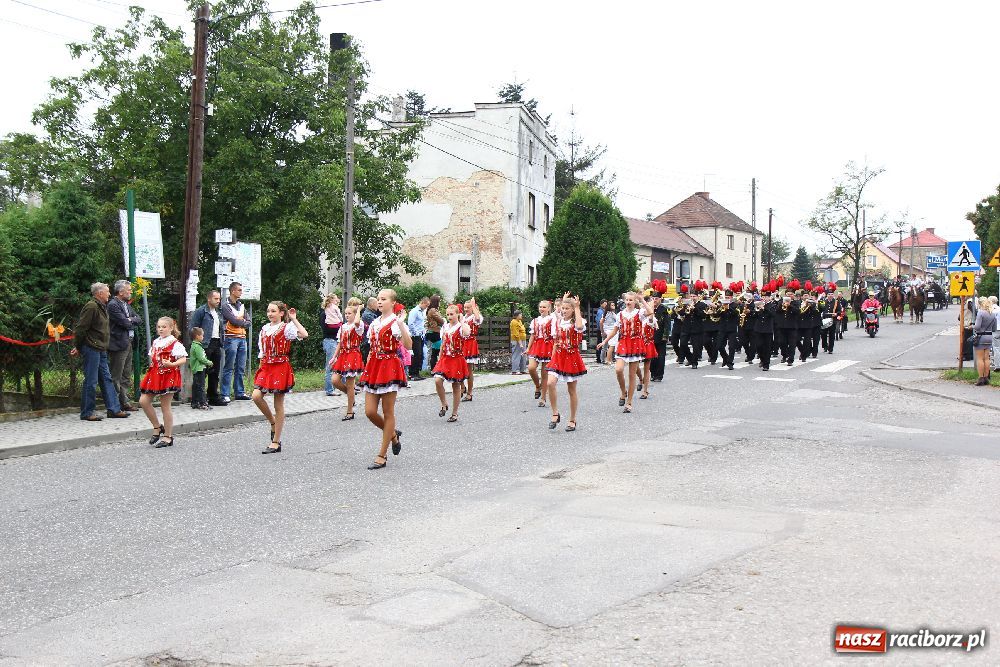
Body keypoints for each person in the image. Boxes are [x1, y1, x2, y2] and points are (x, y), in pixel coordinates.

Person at [359, 289, 410, 470]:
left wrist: (402, 324)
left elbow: (408, 345)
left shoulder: (395, 323)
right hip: (374, 366)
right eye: (378, 299)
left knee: (388, 412)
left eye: (384, 299)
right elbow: (371, 347)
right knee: (370, 412)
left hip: (390, 366)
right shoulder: (373, 323)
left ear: (392, 303)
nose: (379, 302)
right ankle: (393, 436)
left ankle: (382, 455)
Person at [253, 301, 308, 454]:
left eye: (273, 311)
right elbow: (262, 351)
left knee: (278, 403)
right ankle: (272, 422)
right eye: (268, 311)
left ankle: (276, 441)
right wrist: (260, 367)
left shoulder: (287, 327)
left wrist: (294, 319)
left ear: (281, 313)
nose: (270, 313)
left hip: (280, 366)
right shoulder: (264, 328)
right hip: (266, 366)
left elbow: (304, 334)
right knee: (256, 396)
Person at [73, 282, 130, 421]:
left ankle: (114, 409)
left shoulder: (102, 307)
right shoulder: (91, 306)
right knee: (91, 380)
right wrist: (79, 347)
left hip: (100, 348)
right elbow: (81, 328)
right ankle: (87, 412)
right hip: (91, 348)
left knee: (106, 379)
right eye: (107, 291)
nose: (109, 294)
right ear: (99, 293)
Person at [597, 291, 652, 413]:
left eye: (631, 300)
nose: (628, 302)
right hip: (623, 342)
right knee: (618, 369)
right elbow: (615, 330)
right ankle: (623, 392)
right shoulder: (620, 314)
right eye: (627, 300)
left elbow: (650, 312)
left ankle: (629, 402)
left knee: (632, 375)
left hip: (636, 343)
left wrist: (642, 300)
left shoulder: (639, 313)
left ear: (634, 302)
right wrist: (604, 341)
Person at [138, 316, 187, 447]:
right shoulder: (156, 342)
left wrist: (172, 363)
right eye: (159, 327)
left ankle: (168, 436)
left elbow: (183, 359)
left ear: (171, 328)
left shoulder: (175, 343)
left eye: (164, 327)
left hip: (168, 375)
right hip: (155, 375)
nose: (161, 329)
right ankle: (157, 427)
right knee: (143, 401)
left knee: (165, 406)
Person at [546, 293, 587, 431]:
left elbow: (580, 326)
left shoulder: (576, 322)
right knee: (550, 383)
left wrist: (576, 307)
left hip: (571, 356)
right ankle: (555, 413)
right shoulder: (557, 321)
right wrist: (564, 301)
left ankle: (572, 419)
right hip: (558, 356)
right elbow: (555, 342)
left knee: (571, 390)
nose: (563, 311)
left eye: (566, 309)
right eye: (562, 308)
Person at [433, 303, 472, 422]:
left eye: (452, 314)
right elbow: (443, 344)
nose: (449, 316)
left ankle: (454, 413)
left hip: (456, 359)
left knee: (455, 386)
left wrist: (462, 320)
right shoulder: (445, 327)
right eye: (448, 314)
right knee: (437, 380)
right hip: (445, 358)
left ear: (457, 314)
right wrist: (439, 358)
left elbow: (467, 333)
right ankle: (444, 404)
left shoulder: (460, 327)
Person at [107, 279, 142, 412]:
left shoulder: (126, 305)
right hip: (118, 344)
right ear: (121, 291)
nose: (131, 292)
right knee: (116, 374)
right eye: (129, 290)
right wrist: (129, 320)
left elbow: (138, 319)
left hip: (129, 343)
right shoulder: (113, 305)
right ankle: (114, 404)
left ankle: (124, 401)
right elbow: (124, 323)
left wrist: (130, 319)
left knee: (126, 374)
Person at [329, 304, 366, 420]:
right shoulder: (343, 327)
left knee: (350, 385)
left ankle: (350, 411)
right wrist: (334, 356)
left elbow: (356, 323)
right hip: (343, 355)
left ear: (355, 315)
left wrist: (359, 309)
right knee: (334, 380)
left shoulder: (358, 326)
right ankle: (351, 397)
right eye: (345, 313)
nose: (347, 315)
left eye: (349, 313)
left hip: (353, 355)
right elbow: (340, 343)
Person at [190, 289, 226, 406]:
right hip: (205, 343)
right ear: (209, 298)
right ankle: (198, 398)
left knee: (214, 371)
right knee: (202, 372)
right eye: (216, 299)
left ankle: (213, 396)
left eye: (219, 299)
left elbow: (221, 328)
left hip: (216, 342)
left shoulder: (218, 312)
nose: (218, 301)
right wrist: (197, 343)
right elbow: (193, 328)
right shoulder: (201, 311)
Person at [219, 282, 252, 404]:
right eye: (239, 290)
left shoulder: (241, 306)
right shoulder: (225, 306)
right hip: (231, 338)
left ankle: (239, 392)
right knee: (229, 366)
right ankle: (225, 393)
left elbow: (249, 322)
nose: (241, 292)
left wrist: (241, 321)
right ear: (232, 291)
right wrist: (241, 321)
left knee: (241, 367)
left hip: (242, 338)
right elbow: (233, 320)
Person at [526, 300, 556, 407]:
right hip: (537, 345)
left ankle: (543, 398)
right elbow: (532, 335)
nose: (542, 309)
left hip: (548, 345)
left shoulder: (552, 320)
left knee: (544, 374)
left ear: (549, 309)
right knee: (531, 368)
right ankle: (537, 386)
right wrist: (528, 348)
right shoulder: (535, 320)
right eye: (540, 307)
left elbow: (554, 336)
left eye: (544, 307)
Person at [319, 294, 343, 396]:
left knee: (337, 365)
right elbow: (326, 329)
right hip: (330, 341)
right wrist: (338, 327)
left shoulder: (336, 311)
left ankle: (336, 387)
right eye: (336, 298)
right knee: (330, 366)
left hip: (335, 341)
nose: (338, 300)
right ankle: (329, 390)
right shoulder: (324, 313)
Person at [461, 298, 483, 401]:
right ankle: (462, 386)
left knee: (469, 369)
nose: (466, 309)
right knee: (459, 366)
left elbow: (478, 318)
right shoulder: (463, 318)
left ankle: (469, 393)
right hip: (462, 344)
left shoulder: (475, 317)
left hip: (470, 343)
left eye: (468, 307)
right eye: (465, 307)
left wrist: (474, 306)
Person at [972, 296, 996, 385]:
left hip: (981, 337)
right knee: (987, 358)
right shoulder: (992, 314)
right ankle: (986, 378)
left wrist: (972, 326)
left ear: (981, 304)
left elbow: (977, 327)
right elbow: (994, 328)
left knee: (980, 359)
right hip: (989, 337)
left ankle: (981, 378)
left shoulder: (981, 313)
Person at [188, 327, 213, 410]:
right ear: (197, 336)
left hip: (196, 368)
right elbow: (201, 358)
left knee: (196, 386)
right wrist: (209, 362)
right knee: (201, 387)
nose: (203, 337)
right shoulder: (197, 347)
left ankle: (194, 402)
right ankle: (203, 403)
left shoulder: (194, 345)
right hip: (199, 369)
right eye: (202, 335)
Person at [407, 296, 429, 381]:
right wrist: (416, 333)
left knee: (420, 355)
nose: (426, 307)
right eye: (426, 305)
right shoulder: (415, 311)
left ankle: (417, 372)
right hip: (415, 336)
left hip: (421, 335)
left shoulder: (421, 312)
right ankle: (412, 373)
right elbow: (410, 323)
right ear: (422, 303)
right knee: (417, 354)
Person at [650, 293, 669, 381]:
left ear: (660, 299)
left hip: (660, 336)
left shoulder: (664, 309)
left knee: (661, 357)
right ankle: (653, 374)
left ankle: (659, 375)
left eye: (656, 298)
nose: (654, 300)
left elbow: (667, 324)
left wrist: (665, 336)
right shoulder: (650, 309)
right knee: (652, 358)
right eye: (653, 298)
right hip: (651, 337)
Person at [424, 295, 444, 371]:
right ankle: (435, 369)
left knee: (435, 352)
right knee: (437, 352)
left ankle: (434, 369)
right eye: (439, 301)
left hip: (433, 332)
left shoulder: (432, 310)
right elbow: (441, 320)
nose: (440, 303)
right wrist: (444, 320)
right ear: (436, 302)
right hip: (434, 332)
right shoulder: (433, 310)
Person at [359, 297, 379, 363]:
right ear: (372, 304)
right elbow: (378, 326)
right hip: (366, 343)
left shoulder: (371, 314)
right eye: (376, 303)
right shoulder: (368, 315)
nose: (378, 305)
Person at [510, 310, 527, 375]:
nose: (521, 315)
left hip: (523, 339)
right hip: (517, 340)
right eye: (520, 314)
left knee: (523, 355)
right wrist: (520, 343)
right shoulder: (514, 322)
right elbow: (516, 334)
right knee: (516, 355)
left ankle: (523, 369)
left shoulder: (519, 321)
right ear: (517, 315)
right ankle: (515, 370)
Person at [594, 300, 608, 364]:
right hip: (600, 330)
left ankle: (600, 358)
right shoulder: (600, 311)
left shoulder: (603, 311)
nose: (606, 305)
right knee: (600, 343)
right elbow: (599, 321)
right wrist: (601, 330)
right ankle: (599, 358)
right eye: (605, 304)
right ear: (601, 304)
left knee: (601, 343)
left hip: (601, 329)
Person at [990, 296, 1000, 372]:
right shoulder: (999, 308)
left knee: (996, 347)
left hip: (995, 329)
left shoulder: (991, 310)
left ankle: (997, 365)